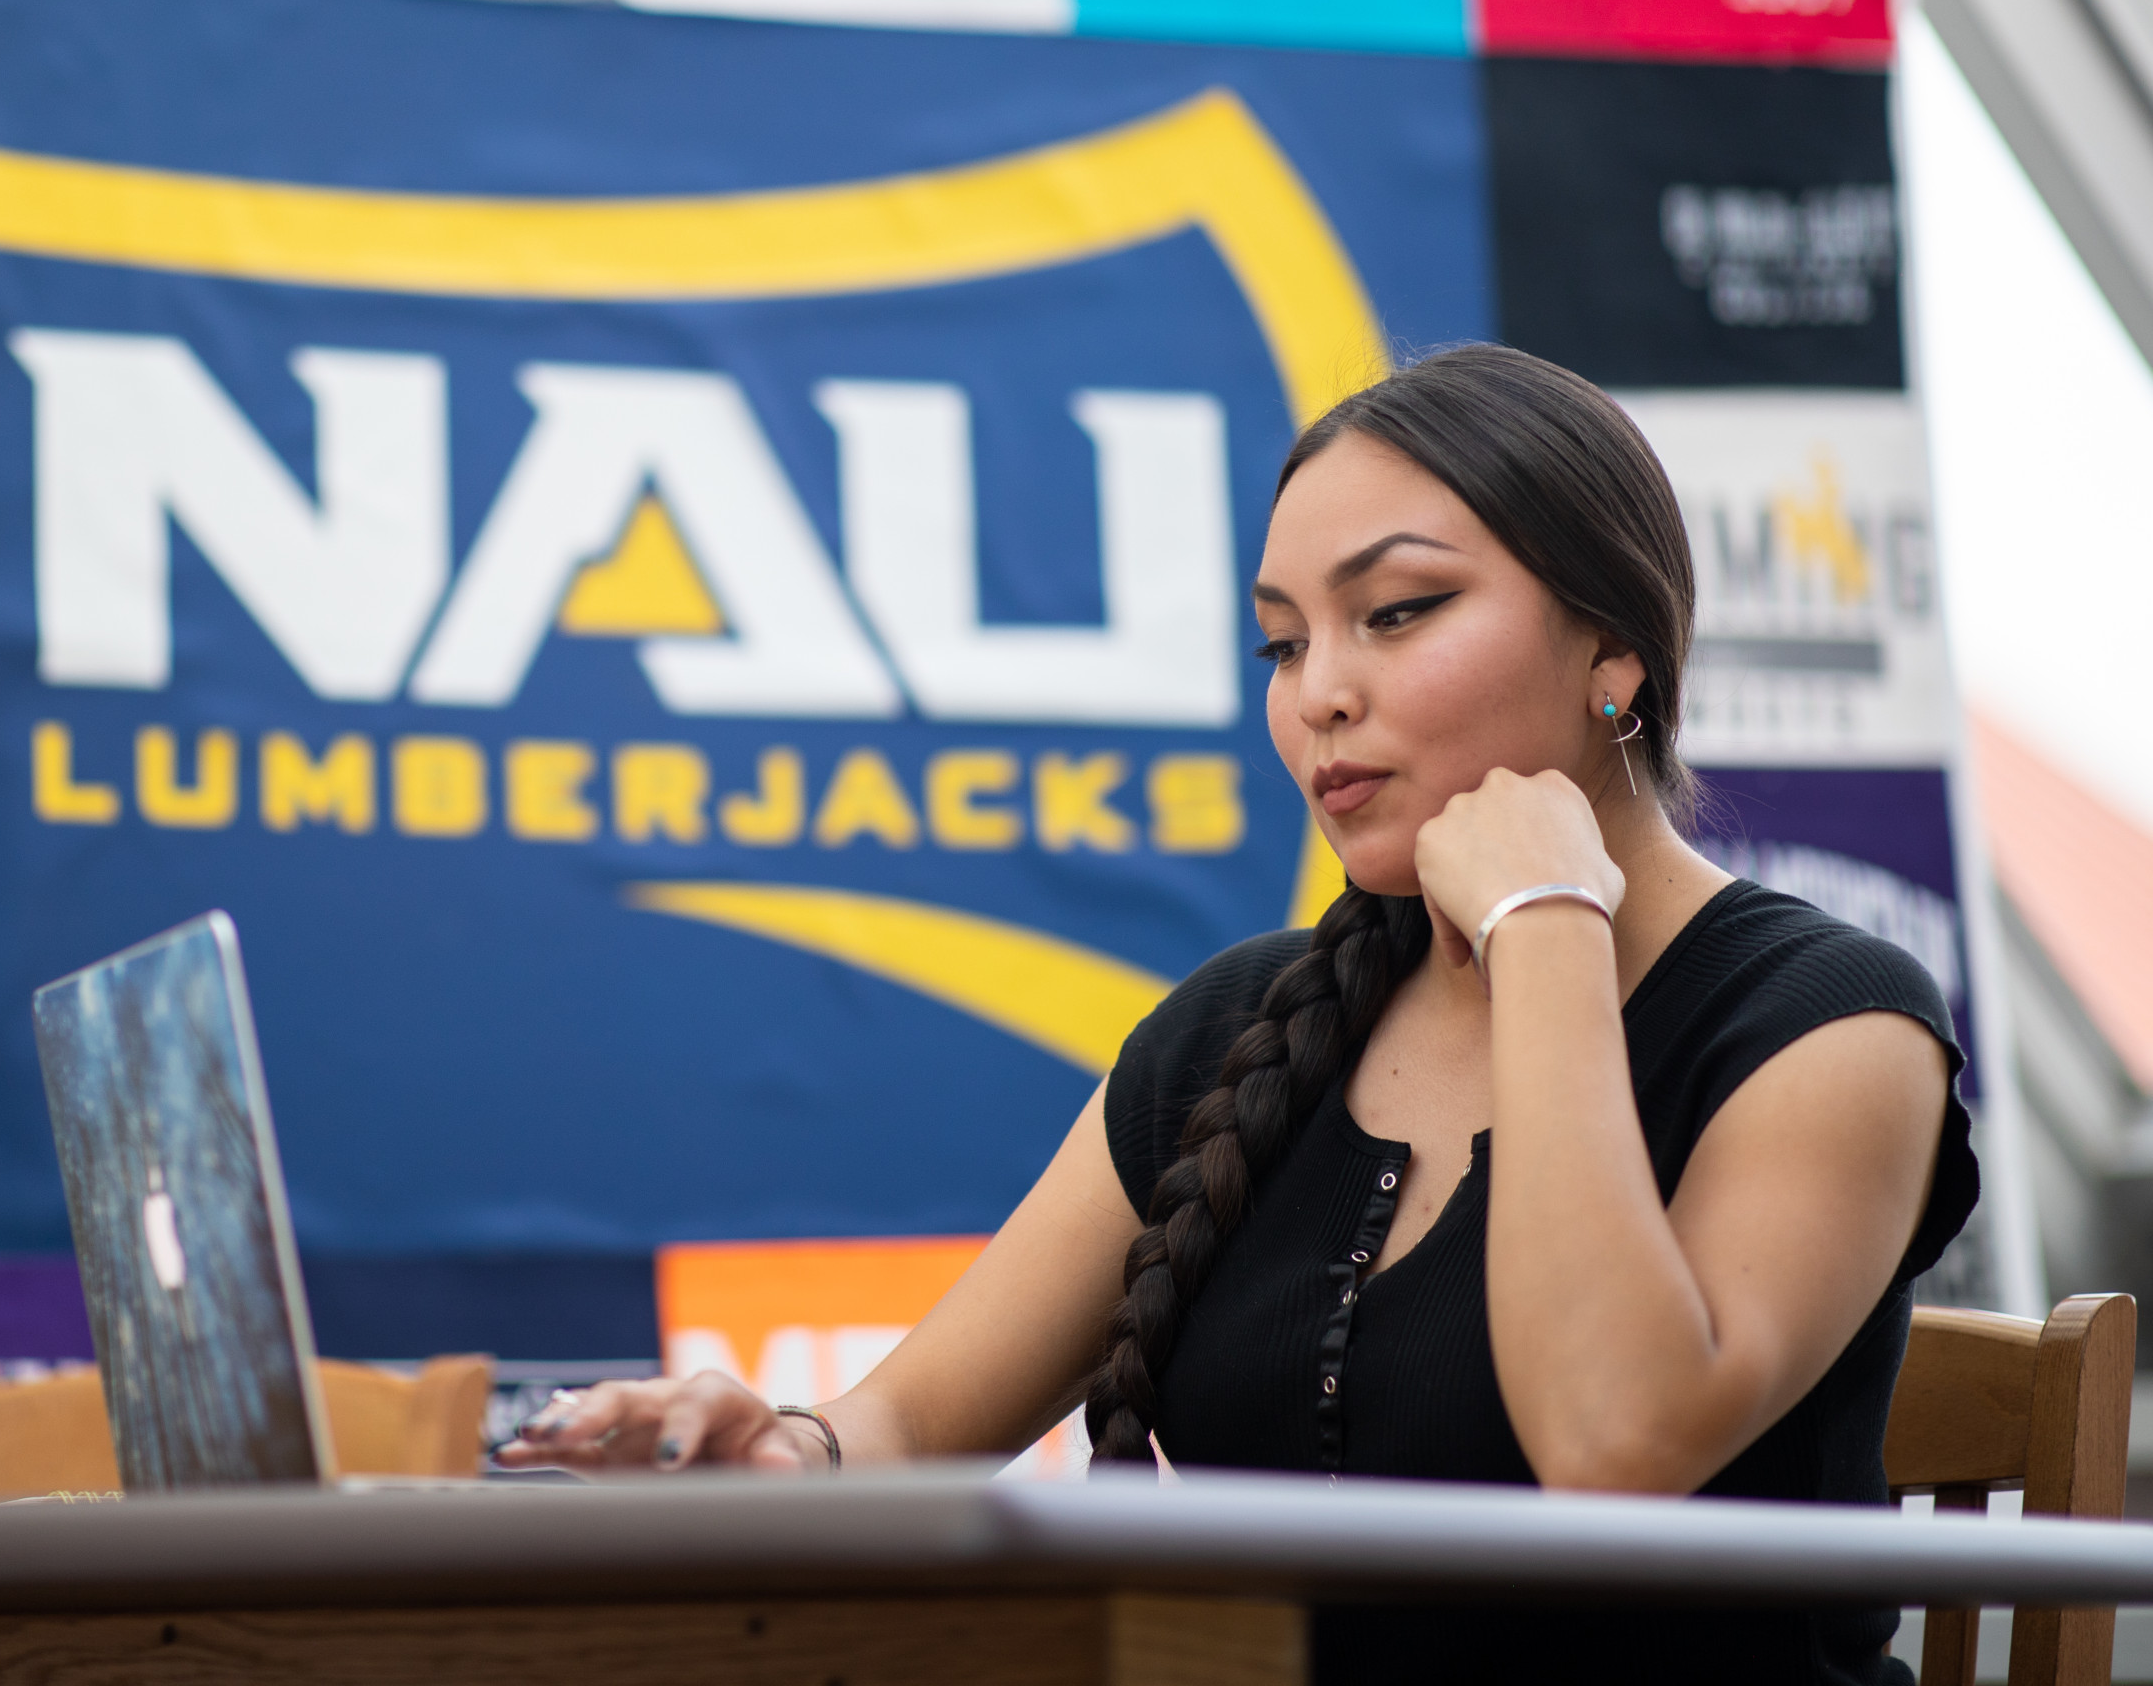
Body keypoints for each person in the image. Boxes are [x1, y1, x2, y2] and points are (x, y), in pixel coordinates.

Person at [497, 343, 1977, 1686]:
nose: (1320, 692)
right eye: (1282, 643)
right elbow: (909, 1427)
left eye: (1397, 614)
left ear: (1614, 653)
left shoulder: (1830, 1025)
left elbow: (1614, 1445)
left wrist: (1543, 927)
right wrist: (781, 1452)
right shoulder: (1236, 1031)